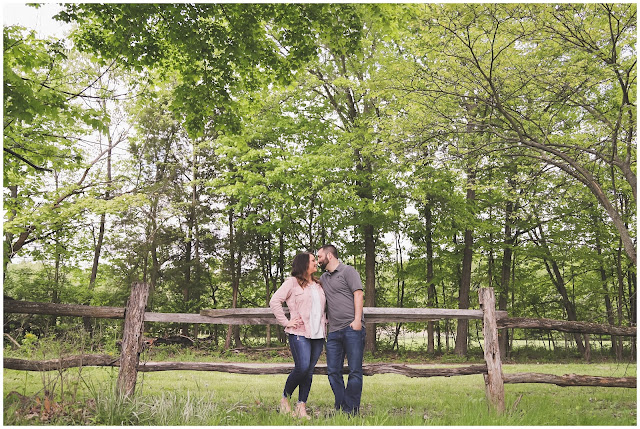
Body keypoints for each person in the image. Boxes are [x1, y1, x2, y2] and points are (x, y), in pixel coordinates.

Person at [269, 252, 326, 420]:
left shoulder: (318, 284)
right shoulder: (292, 283)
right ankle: (285, 399)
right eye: (313, 260)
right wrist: (286, 322)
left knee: (308, 371)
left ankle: (302, 407)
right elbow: (275, 301)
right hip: (299, 332)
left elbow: (322, 308)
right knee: (302, 367)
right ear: (304, 264)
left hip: (318, 334)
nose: (316, 263)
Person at [316, 244, 365, 416]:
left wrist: (357, 320)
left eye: (319, 257)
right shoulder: (323, 278)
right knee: (333, 371)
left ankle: (350, 411)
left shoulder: (348, 271)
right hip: (334, 332)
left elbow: (358, 294)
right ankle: (343, 407)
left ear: (329, 256)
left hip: (352, 328)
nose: (317, 260)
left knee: (355, 371)